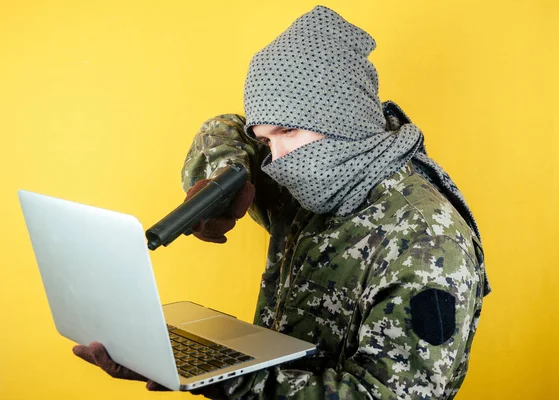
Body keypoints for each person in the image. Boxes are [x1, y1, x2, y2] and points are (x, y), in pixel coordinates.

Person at [73, 5, 490, 399]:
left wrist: (219, 375)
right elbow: (224, 128)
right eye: (266, 141)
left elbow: (382, 394)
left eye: (288, 130)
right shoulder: (309, 182)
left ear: (341, 116)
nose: (279, 159)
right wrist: (227, 177)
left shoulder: (426, 241)